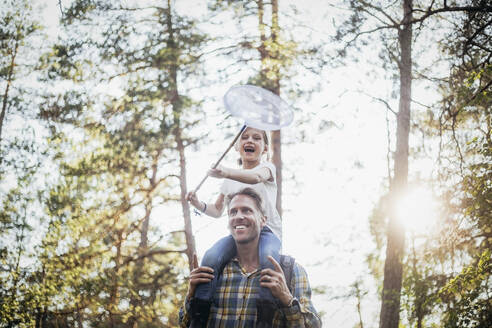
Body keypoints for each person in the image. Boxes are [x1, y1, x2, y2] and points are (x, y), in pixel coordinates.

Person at [179, 188, 322, 327]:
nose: (238, 216)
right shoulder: (212, 271)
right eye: (233, 212)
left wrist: (287, 299)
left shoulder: (291, 271)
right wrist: (191, 294)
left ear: (263, 220)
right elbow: (183, 323)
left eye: (247, 210)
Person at [185, 127, 282, 326]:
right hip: (239, 233)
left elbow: (255, 178)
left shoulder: (267, 169)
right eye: (244, 137)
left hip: (266, 231)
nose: (250, 140)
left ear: (264, 148)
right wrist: (197, 203)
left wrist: (225, 172)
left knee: (268, 258)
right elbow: (217, 209)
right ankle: (200, 309)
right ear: (237, 146)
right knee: (212, 256)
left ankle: (265, 313)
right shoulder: (228, 180)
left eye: (257, 138)